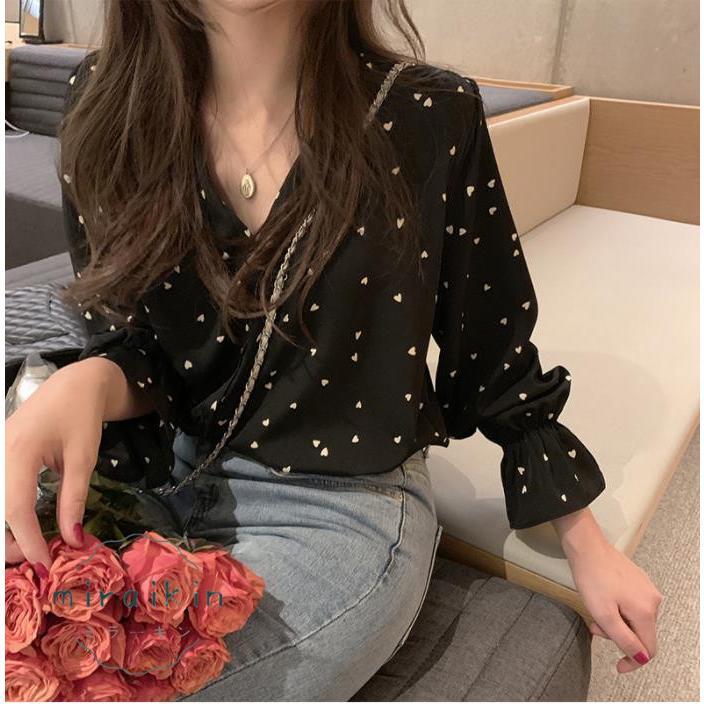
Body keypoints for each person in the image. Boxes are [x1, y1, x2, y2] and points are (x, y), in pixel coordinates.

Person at [4, 0, 663, 698]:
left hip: (337, 508)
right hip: (158, 468)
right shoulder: (107, 106)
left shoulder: (428, 115)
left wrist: (584, 540)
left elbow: (490, 352)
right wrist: (90, 382)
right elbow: (138, 344)